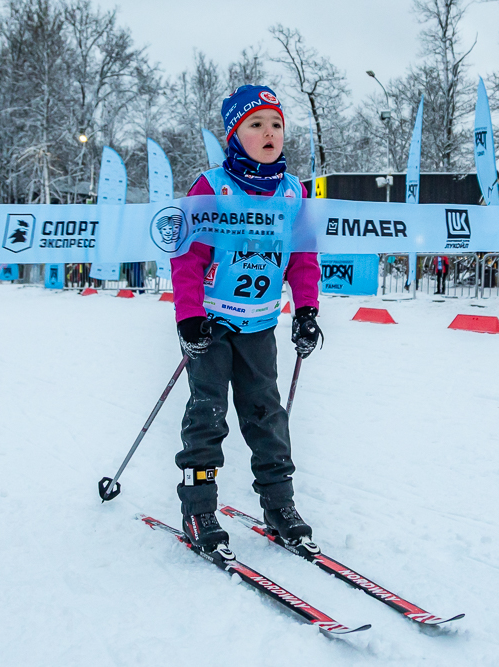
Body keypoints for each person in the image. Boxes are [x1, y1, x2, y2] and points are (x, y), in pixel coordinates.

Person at [170, 85, 323, 553]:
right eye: (255, 124)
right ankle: (199, 508)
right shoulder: (212, 186)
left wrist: (307, 308)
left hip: (260, 325)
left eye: (276, 124)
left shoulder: (293, 192)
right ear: (235, 135)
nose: (269, 132)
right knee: (207, 414)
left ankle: (279, 504)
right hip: (212, 325)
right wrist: (190, 316)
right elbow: (187, 256)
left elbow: (302, 256)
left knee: (267, 416)